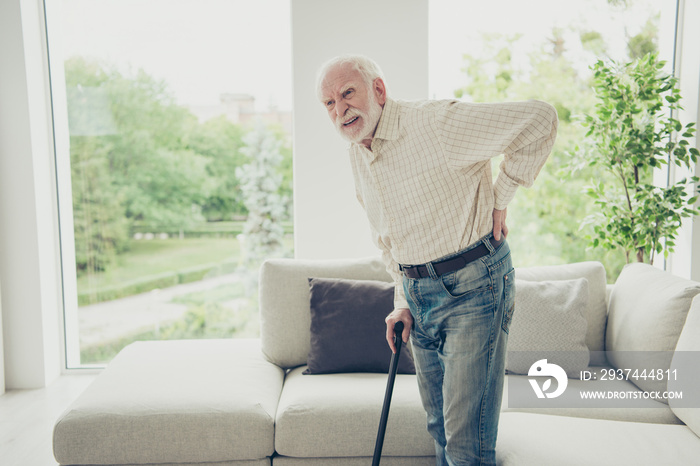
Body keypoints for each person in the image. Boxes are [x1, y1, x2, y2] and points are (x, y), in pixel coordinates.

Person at [316, 54, 558, 466]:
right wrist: (403, 302)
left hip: (474, 289)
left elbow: (540, 119)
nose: (340, 111)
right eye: (329, 104)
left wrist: (501, 197)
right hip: (419, 298)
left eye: (347, 93)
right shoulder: (358, 152)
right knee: (441, 432)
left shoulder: (436, 124)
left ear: (378, 90)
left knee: (467, 444)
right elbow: (388, 240)